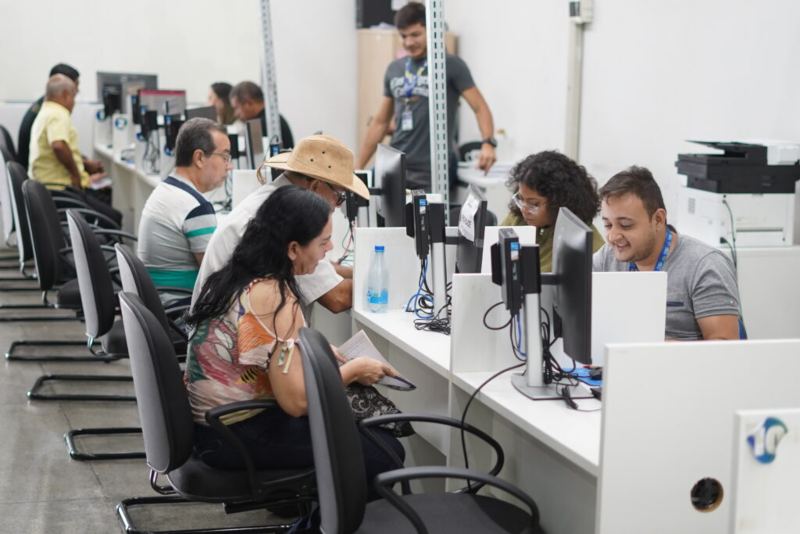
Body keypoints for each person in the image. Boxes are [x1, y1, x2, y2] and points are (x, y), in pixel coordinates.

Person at [186, 185, 404, 487]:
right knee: (384, 451)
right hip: (233, 434)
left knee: (367, 438)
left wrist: (312, 351)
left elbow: (269, 349)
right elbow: (297, 402)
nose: (329, 250)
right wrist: (354, 370)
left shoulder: (239, 275)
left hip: (215, 427)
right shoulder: (273, 296)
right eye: (323, 242)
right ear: (292, 249)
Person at [192, 134, 369, 316]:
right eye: (339, 196)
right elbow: (338, 297)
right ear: (315, 187)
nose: (337, 205)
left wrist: (361, 271)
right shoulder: (289, 216)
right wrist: (384, 281)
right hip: (232, 330)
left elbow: (319, 267)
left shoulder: (274, 198)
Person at [357, 1, 497, 190]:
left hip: (433, 168)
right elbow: (380, 122)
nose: (409, 42)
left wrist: (488, 143)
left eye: (415, 35)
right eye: (404, 36)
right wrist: (358, 167)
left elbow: (480, 107)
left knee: (426, 210)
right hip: (395, 161)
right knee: (369, 201)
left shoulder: (451, 65)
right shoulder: (394, 69)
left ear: (430, 31)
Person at [593, 166, 741, 341]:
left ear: (658, 219)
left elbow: (724, 347)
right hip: (622, 356)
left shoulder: (705, 265)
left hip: (674, 359)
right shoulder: (607, 257)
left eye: (626, 225)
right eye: (608, 225)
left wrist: (650, 346)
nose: (613, 237)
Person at [138, 118, 230, 298]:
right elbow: (218, 278)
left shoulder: (166, 189)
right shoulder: (196, 208)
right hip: (180, 305)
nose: (230, 166)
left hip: (157, 300)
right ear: (200, 158)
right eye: (225, 157)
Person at [28, 74, 122, 226]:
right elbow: (58, 145)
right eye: (73, 96)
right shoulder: (58, 113)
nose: (74, 102)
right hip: (60, 190)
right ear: (65, 94)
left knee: (105, 205)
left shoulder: (46, 111)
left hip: (47, 188)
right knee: (113, 218)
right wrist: (76, 176)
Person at [500, 151, 605, 272]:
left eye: (534, 204)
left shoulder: (585, 244)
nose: (524, 209)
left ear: (558, 202)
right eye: (521, 199)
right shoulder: (518, 218)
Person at [18, 63, 87, 168]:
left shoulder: (44, 107)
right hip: (41, 172)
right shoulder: (55, 113)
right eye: (75, 85)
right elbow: (58, 147)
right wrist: (80, 169)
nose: (77, 90)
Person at [230, 81, 294, 149]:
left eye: (236, 108)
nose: (235, 114)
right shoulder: (275, 119)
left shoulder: (259, 126)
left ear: (249, 103)